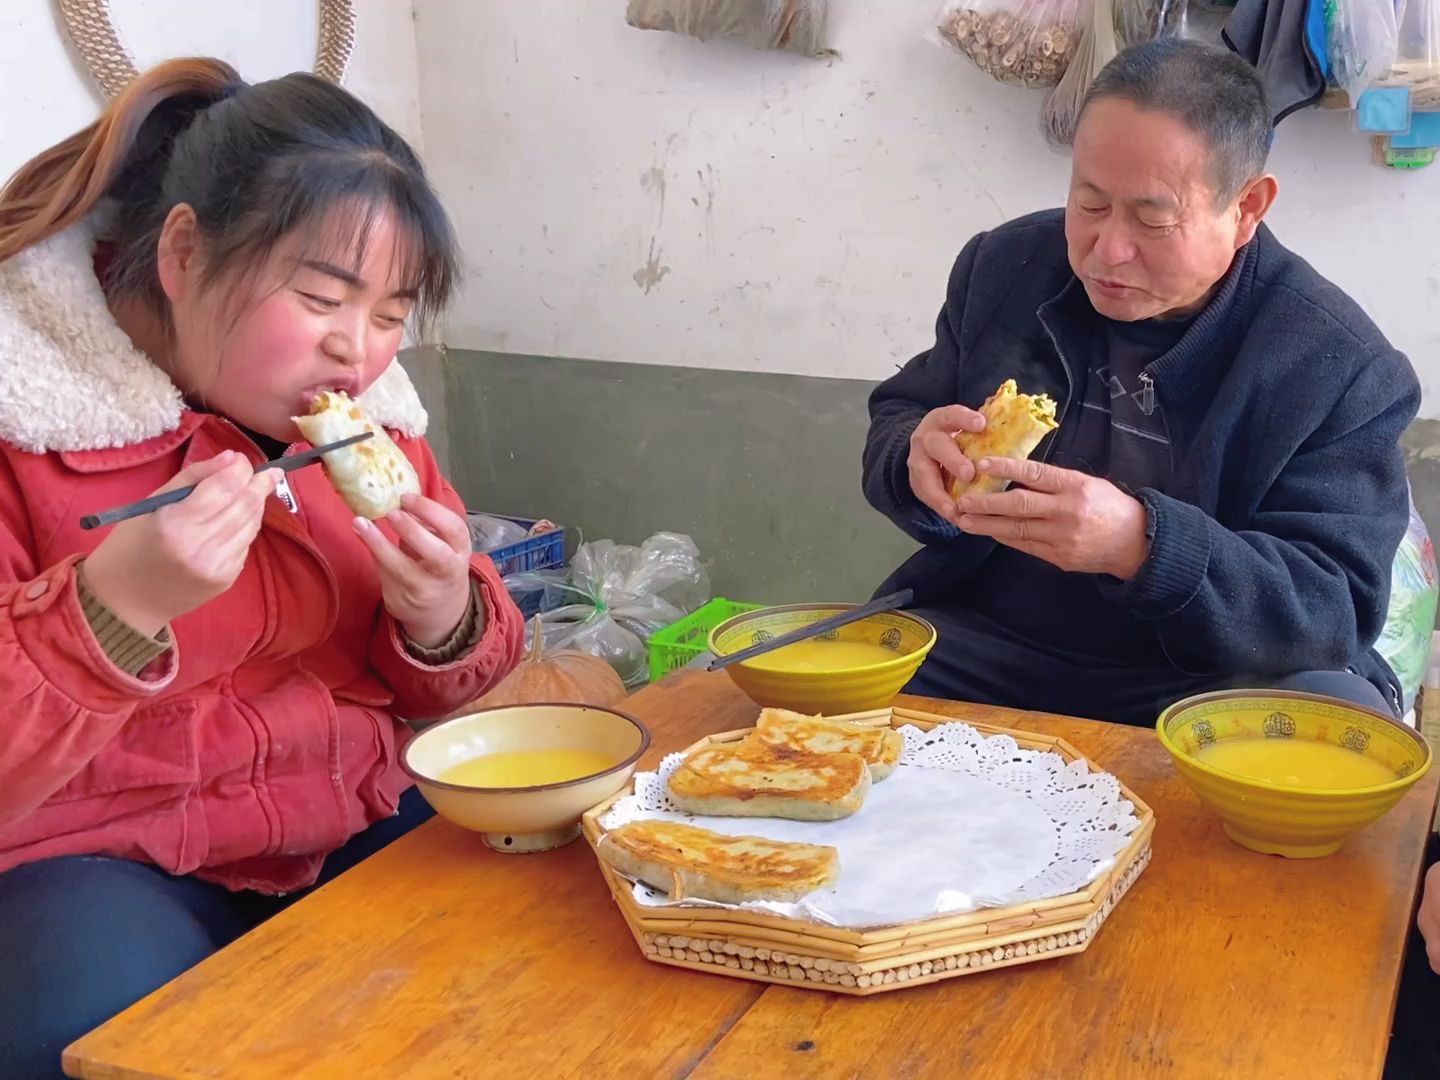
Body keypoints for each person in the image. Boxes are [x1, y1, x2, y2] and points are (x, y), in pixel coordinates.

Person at [0, 58, 525, 1076]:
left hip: (348, 810)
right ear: (186, 251)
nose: (358, 353)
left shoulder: (376, 427)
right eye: (324, 295)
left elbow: (467, 673)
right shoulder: (23, 426)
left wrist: (445, 617)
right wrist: (111, 611)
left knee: (544, 921)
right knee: (102, 1033)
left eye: (389, 314)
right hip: (92, 861)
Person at [862, 39, 1418, 727]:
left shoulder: (1338, 365)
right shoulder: (1006, 266)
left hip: (1201, 679)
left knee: (1341, 726)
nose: (1108, 250)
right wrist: (911, 452)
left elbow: (1330, 608)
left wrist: (1141, 545)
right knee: (755, 680)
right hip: (991, 643)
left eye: (1153, 218)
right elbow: (904, 410)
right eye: (1089, 204)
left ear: (1247, 208)